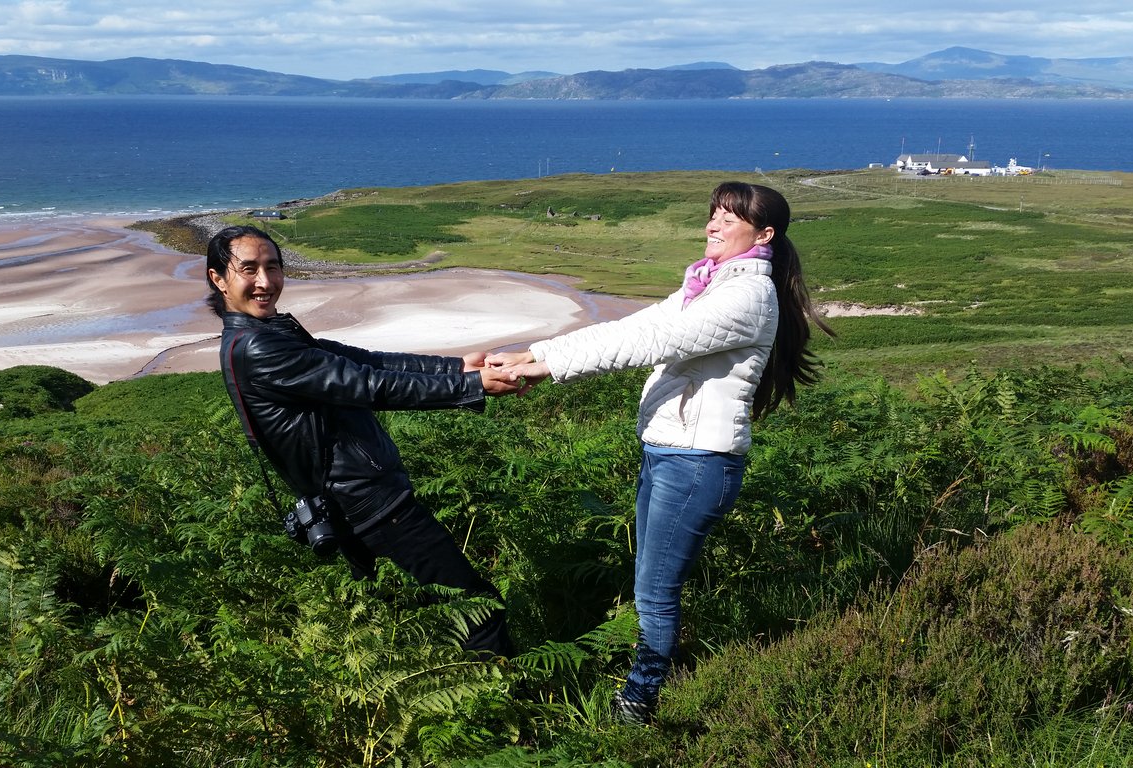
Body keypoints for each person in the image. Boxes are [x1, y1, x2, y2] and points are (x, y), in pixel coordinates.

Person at [490, 182, 832, 722]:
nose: (713, 226)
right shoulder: (708, 285)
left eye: (729, 218)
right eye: (713, 214)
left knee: (654, 593)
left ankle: (637, 704)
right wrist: (535, 351)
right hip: (673, 455)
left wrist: (546, 368)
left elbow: (651, 344)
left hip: (695, 464)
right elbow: (640, 324)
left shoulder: (745, 297)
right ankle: (645, 689)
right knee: (652, 583)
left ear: (764, 234)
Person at [206, 224, 519, 658]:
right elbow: (369, 385)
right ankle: (511, 708)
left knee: (417, 618)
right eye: (249, 270)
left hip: (357, 502)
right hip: (368, 506)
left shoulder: (270, 333)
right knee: (476, 608)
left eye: (273, 267)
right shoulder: (259, 348)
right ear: (218, 279)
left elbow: (362, 360)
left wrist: (454, 368)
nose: (265, 281)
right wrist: (472, 387)